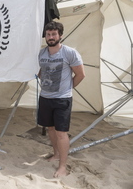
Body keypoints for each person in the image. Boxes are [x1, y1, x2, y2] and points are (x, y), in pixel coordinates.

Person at [37, 21, 85, 178]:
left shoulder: (70, 53)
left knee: (61, 133)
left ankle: (62, 166)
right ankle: (56, 154)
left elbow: (80, 74)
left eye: (54, 34)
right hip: (45, 97)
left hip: (62, 99)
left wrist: (68, 88)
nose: (51, 37)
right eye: (48, 34)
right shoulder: (42, 53)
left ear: (60, 35)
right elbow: (40, 72)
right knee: (50, 129)